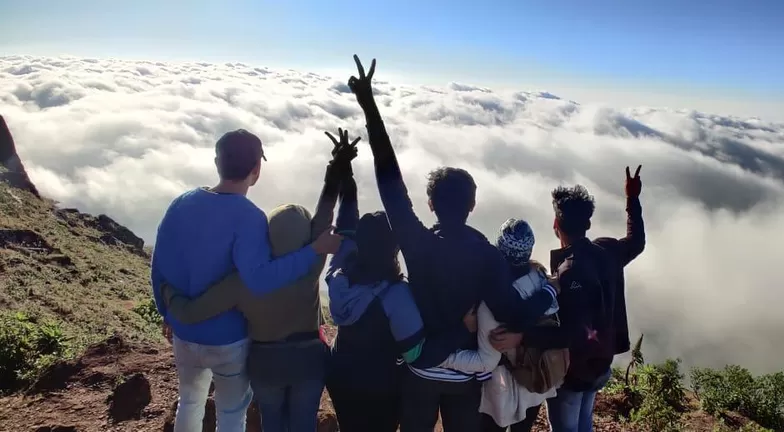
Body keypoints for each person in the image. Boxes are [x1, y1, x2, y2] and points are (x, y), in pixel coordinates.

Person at [346, 55, 556, 432]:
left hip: (419, 372)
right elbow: (512, 312)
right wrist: (547, 295)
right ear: (472, 206)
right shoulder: (488, 256)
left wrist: (369, 106)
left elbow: (389, 183)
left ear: (429, 204)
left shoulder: (417, 242)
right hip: (464, 383)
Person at [158, 129, 359, 431]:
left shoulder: (238, 278)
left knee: (220, 409)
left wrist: (168, 302)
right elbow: (325, 215)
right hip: (282, 356)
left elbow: (180, 293)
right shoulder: (308, 263)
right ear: (257, 168)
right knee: (269, 418)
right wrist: (339, 169)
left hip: (240, 355)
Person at [323, 146, 479, 432]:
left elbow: (345, 229)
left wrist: (345, 175)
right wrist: (463, 329)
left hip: (340, 374)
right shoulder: (395, 296)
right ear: (394, 248)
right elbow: (414, 354)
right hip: (380, 387)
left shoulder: (338, 276)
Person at [490, 167, 646, 432]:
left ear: (556, 225)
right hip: (600, 365)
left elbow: (571, 334)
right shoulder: (607, 249)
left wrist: (522, 338)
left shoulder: (569, 271)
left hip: (575, 371)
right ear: (587, 223)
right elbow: (637, 241)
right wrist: (632, 199)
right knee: (583, 421)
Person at [439, 218, 563, 432]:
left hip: (501, 386)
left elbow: (487, 359)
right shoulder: (541, 277)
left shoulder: (492, 293)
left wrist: (441, 358)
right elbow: (554, 325)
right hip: (535, 376)